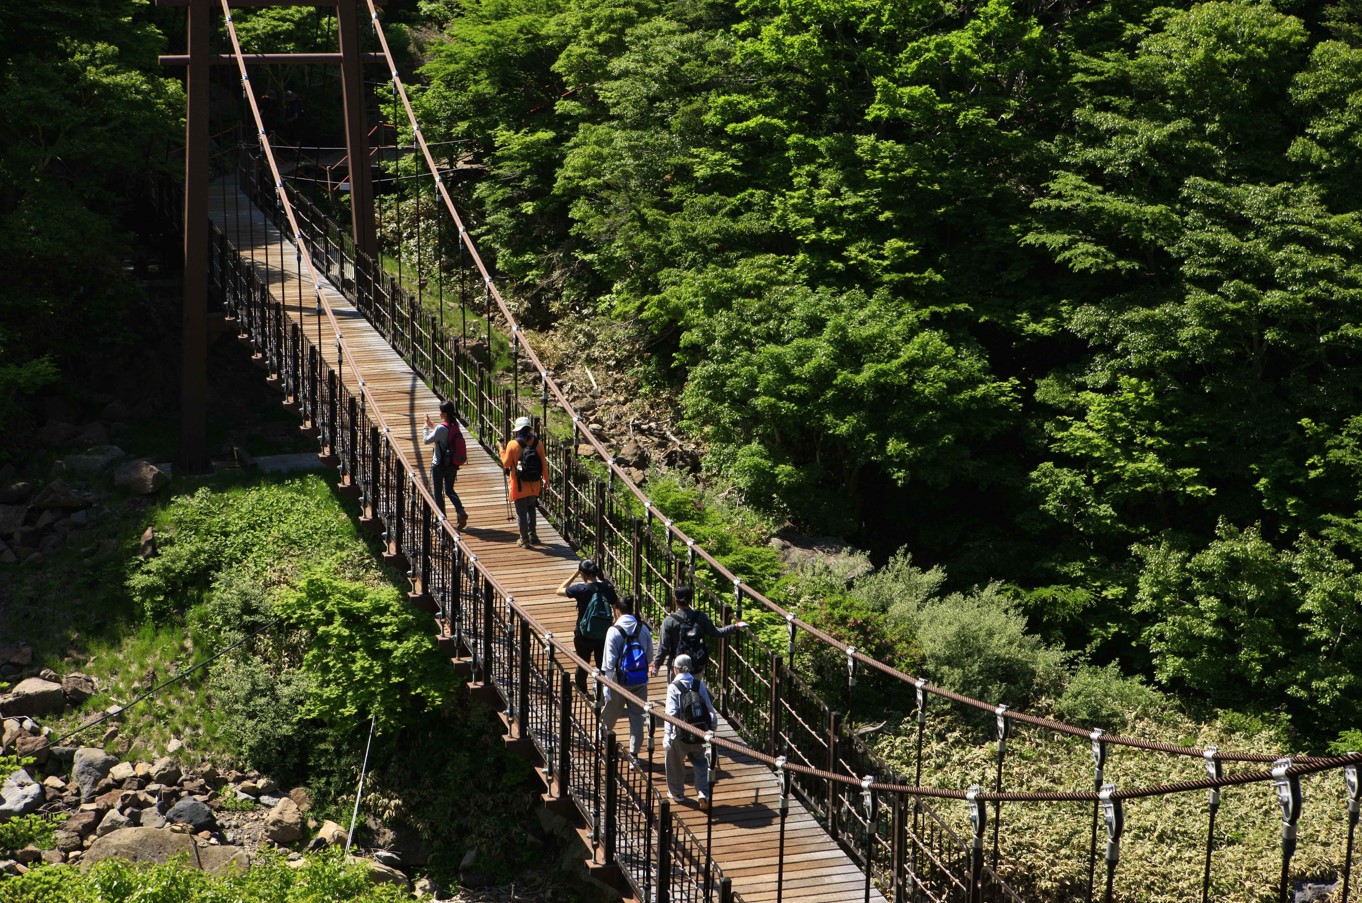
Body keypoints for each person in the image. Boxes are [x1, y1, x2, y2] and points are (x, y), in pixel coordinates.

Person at [599, 594, 653, 769]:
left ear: (617, 611)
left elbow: (608, 663)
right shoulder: (643, 629)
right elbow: (649, 656)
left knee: (610, 713)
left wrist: (607, 687)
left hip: (617, 681)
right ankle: (635, 755)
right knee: (637, 718)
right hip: (639, 680)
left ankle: (601, 739)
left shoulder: (614, 631)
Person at [650, 585, 746, 680]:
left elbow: (663, 647)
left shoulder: (669, 621)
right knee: (695, 693)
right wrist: (735, 626)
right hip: (696, 666)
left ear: (676, 600)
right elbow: (717, 632)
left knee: (675, 693)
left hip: (677, 666)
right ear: (690, 600)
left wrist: (656, 665)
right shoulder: (701, 617)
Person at [664, 654, 717, 809]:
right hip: (700, 732)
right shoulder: (698, 684)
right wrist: (712, 728)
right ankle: (703, 792)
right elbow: (709, 709)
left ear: (675, 669)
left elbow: (671, 713)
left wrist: (667, 736)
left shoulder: (673, 687)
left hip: (681, 734)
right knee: (701, 763)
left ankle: (677, 792)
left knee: (674, 762)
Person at [556, 559, 618, 691]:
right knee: (602, 665)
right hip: (603, 634)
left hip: (583, 634)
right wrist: (614, 625)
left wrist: (575, 574)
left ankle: (581, 689)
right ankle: (601, 692)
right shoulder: (607, 588)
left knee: (583, 663)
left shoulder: (581, 589)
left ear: (583, 573)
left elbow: (559, 590)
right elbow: (615, 607)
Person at [422, 400, 468, 530]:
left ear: (445, 413)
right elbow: (445, 435)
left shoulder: (441, 428)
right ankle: (461, 511)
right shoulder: (455, 424)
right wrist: (433, 427)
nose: (439, 413)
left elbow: (426, 440)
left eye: (441, 411)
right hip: (452, 464)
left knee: (438, 492)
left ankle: (441, 521)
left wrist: (425, 426)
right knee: (449, 489)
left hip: (439, 465)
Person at [500, 416, 545, 546]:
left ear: (517, 430)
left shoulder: (513, 444)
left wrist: (501, 450)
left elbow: (506, 463)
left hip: (519, 484)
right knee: (531, 508)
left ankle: (524, 540)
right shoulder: (538, 443)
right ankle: (533, 535)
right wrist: (546, 480)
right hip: (534, 483)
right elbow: (543, 464)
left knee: (521, 512)